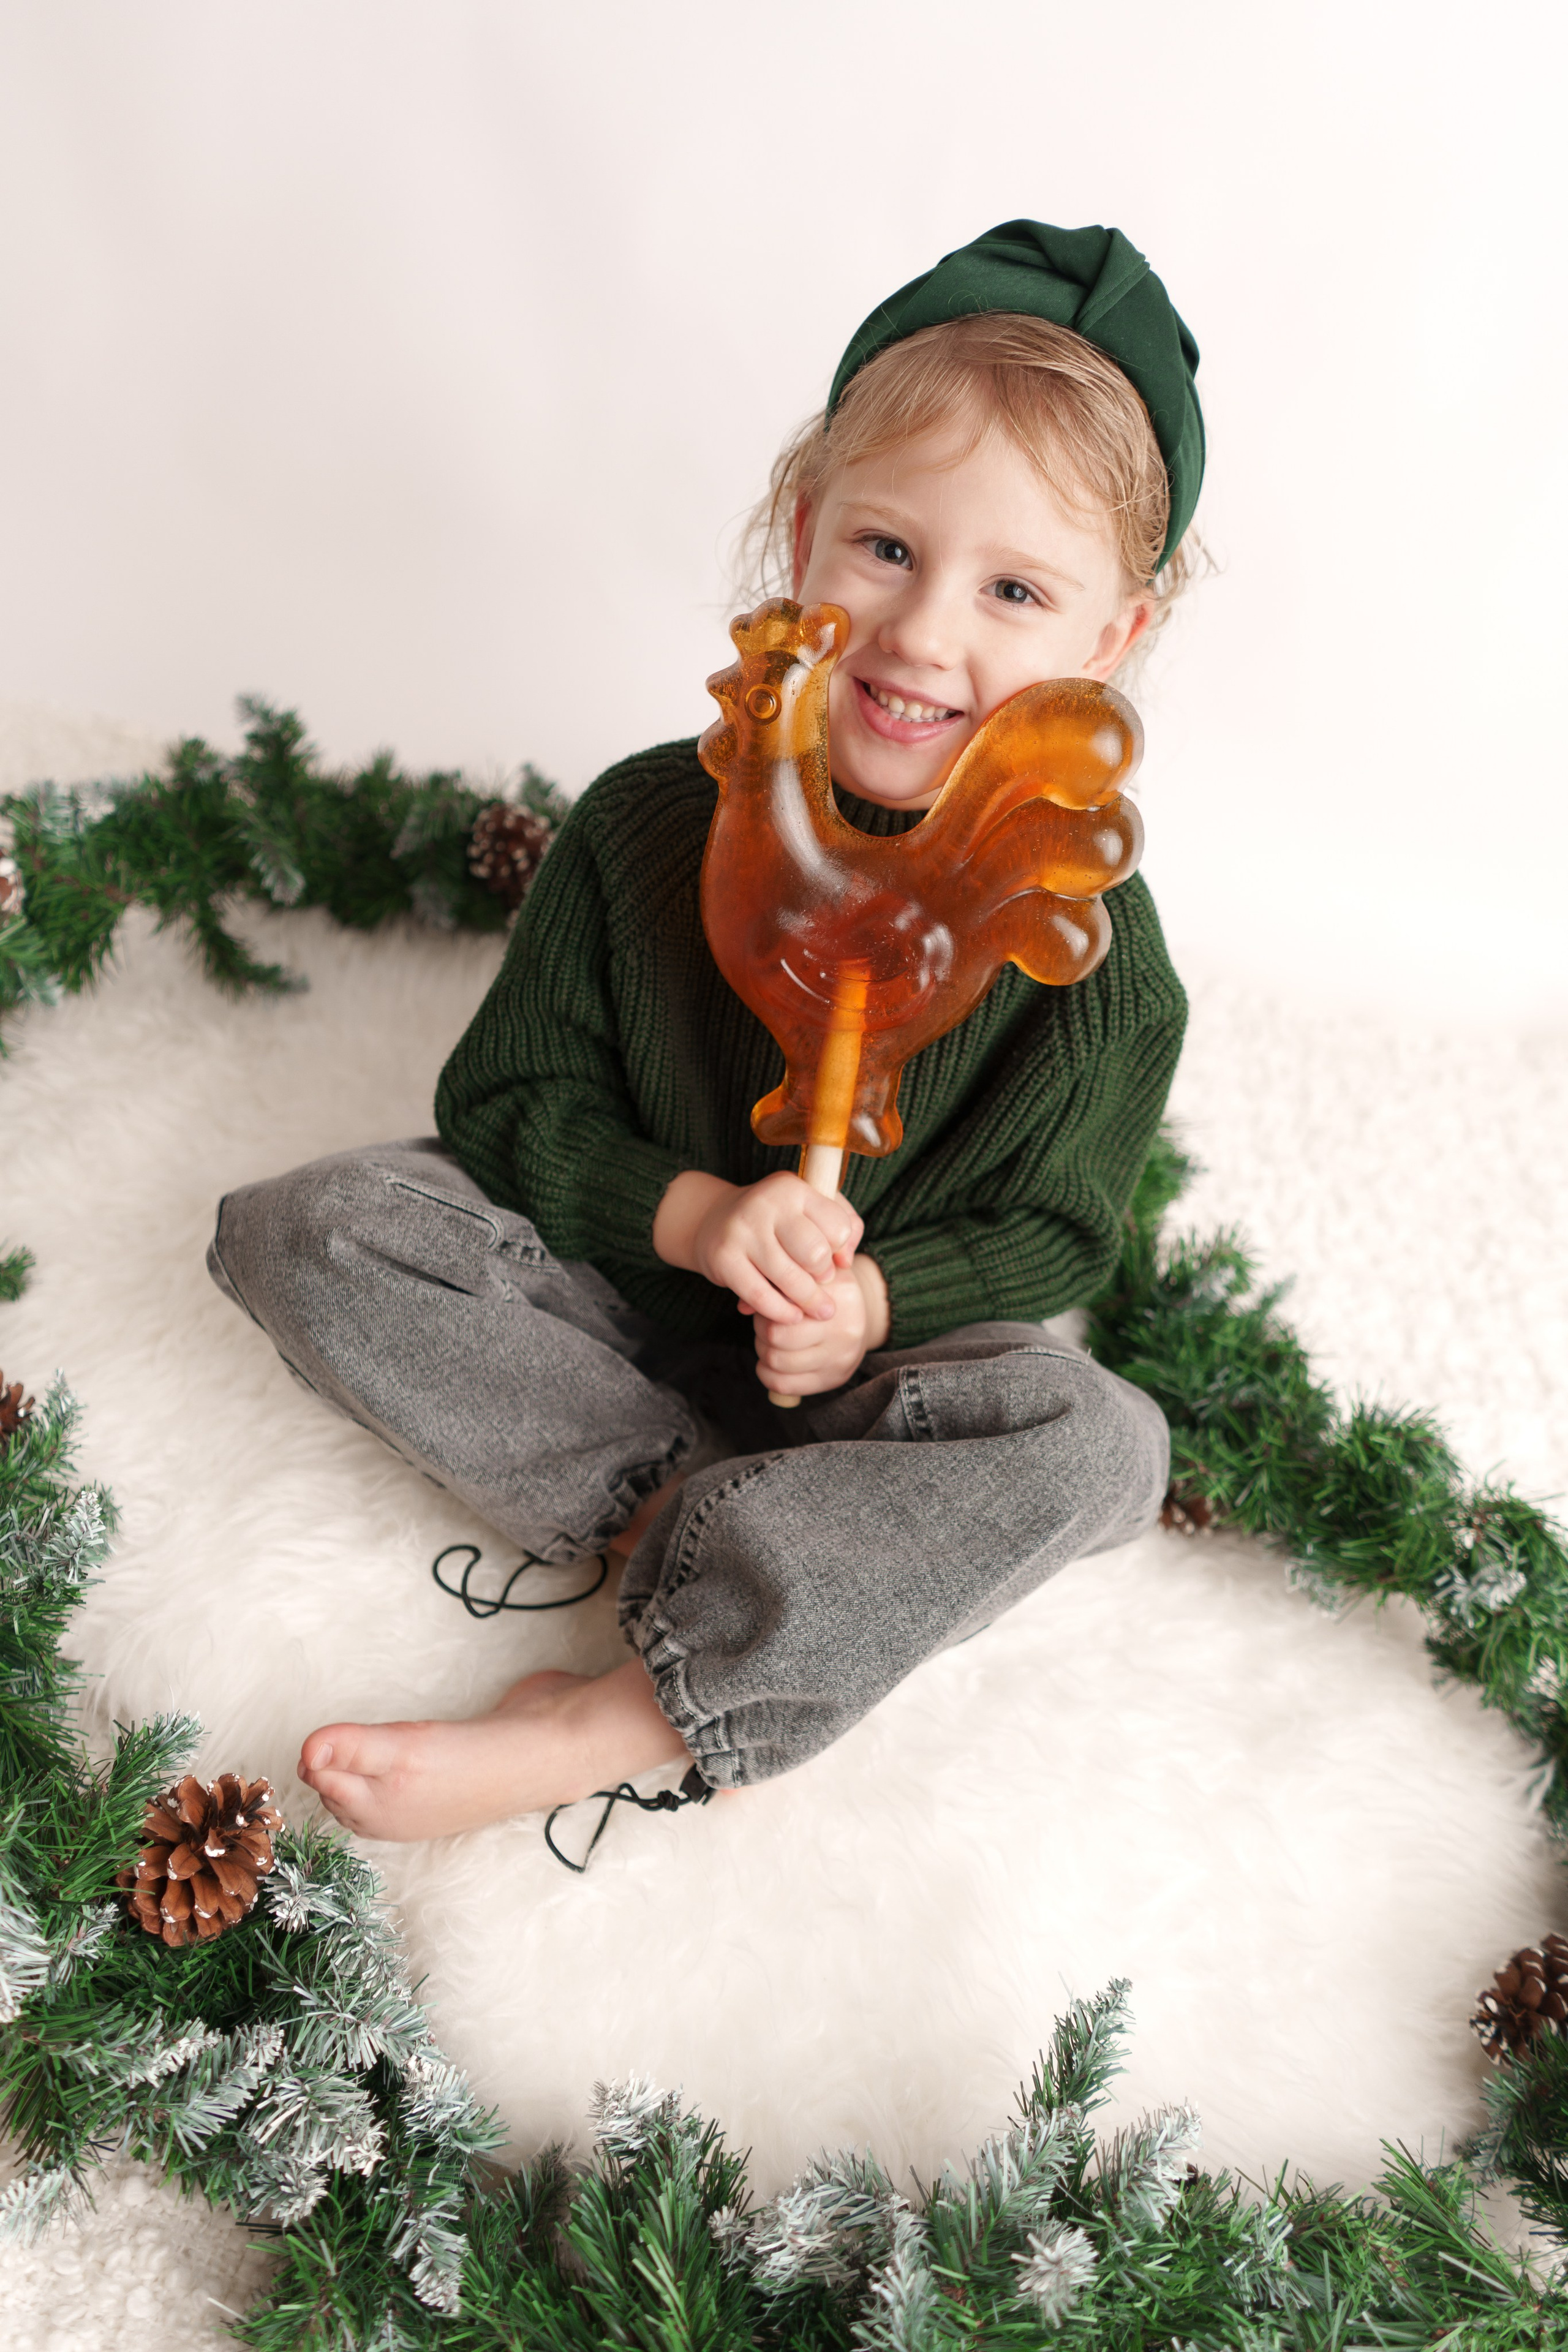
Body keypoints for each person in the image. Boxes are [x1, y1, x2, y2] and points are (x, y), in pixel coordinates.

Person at [207, 221, 1202, 1843]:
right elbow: (508, 1098)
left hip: (874, 1391)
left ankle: (622, 1705)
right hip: (601, 1315)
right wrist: (703, 1215)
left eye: (1014, 589)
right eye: (888, 547)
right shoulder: (655, 826)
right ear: (803, 527)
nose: (925, 634)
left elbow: (1054, 1230)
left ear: (1110, 640)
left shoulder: (1093, 952)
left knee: (1102, 1450)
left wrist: (875, 1295)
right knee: (310, 1229)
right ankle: (683, 1513)